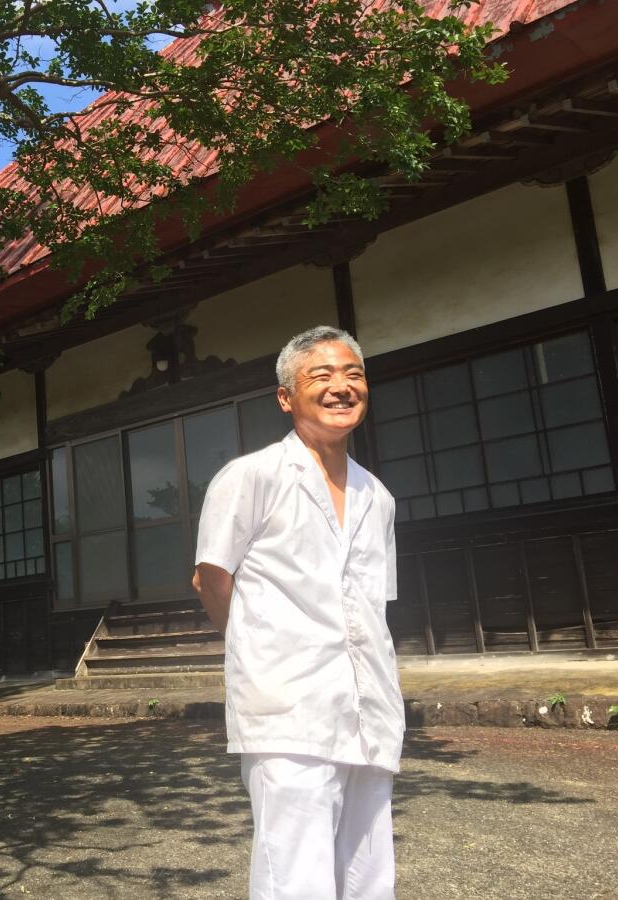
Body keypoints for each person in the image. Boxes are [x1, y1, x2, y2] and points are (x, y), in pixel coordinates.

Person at [192, 326, 403, 900]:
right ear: (286, 397)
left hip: (368, 705)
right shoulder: (250, 477)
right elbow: (212, 577)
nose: (341, 387)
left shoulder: (376, 496)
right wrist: (254, 651)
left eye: (353, 374)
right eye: (322, 376)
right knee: (296, 875)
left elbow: (375, 601)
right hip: (286, 706)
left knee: (369, 873)